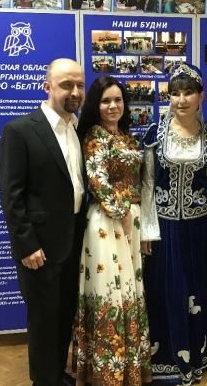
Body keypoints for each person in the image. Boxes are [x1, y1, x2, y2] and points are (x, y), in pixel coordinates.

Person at [0, 58, 87, 386]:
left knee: (64, 314)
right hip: (39, 246)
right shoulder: (20, 131)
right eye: (66, 85)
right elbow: (11, 196)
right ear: (47, 87)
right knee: (43, 318)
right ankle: (44, 380)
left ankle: (56, 374)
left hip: (73, 240)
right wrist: (26, 245)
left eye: (79, 85)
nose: (74, 91)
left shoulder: (77, 129)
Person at [141, 64, 207, 385]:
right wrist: (147, 231)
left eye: (189, 92)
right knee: (167, 290)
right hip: (165, 231)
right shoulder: (155, 134)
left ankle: (199, 354)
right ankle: (167, 359)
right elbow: (147, 184)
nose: (181, 100)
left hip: (200, 230)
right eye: (175, 93)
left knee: (198, 291)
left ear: (201, 96)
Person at [73, 76, 152, 385]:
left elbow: (139, 184)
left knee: (129, 290)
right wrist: (122, 212)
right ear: (96, 105)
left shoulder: (128, 138)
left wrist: (139, 223)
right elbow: (97, 180)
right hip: (107, 222)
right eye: (106, 100)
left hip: (130, 221)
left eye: (118, 100)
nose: (112, 106)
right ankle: (107, 371)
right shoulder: (94, 136)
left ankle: (128, 368)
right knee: (110, 291)